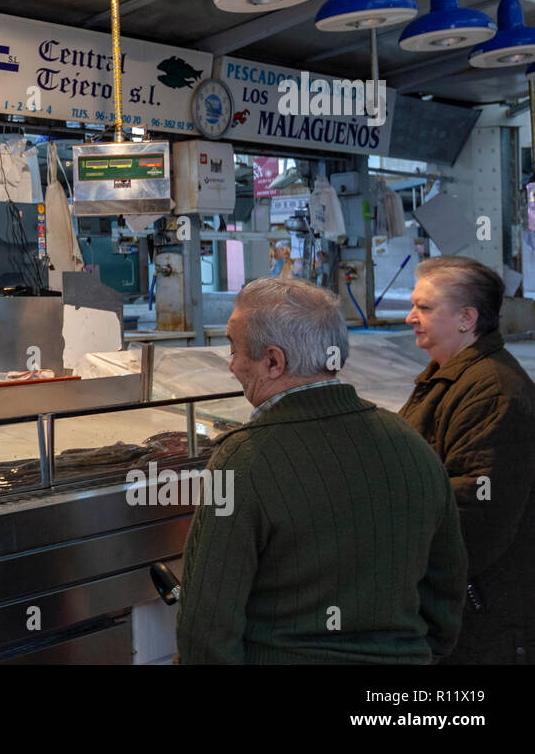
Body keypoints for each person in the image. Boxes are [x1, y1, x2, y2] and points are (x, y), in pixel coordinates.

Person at [177, 277, 465, 664]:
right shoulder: (410, 443)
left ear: (274, 361)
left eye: (234, 350)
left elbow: (206, 629)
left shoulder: (241, 460)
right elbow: (446, 590)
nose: (231, 366)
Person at [400, 255, 535, 664]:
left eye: (424, 308)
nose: (410, 317)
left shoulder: (493, 393)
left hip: (481, 617)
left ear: (466, 318)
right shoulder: (448, 376)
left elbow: (475, 513)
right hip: (454, 606)